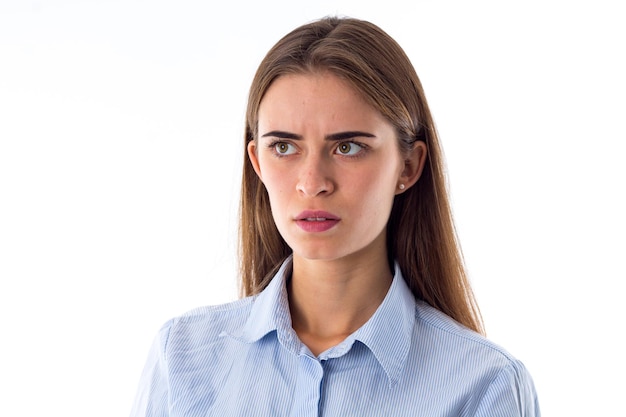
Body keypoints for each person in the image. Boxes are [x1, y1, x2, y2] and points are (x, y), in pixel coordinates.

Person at [130, 16, 541, 416]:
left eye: (347, 147)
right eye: (285, 148)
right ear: (257, 163)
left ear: (408, 166)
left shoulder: (484, 386)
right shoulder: (183, 359)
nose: (312, 183)